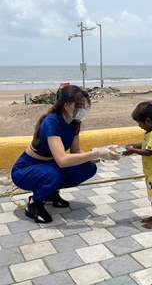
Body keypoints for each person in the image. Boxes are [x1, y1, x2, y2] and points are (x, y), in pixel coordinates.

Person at [11, 84, 119, 223]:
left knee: (88, 167)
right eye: (80, 105)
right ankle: (34, 203)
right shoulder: (52, 122)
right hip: (25, 169)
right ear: (67, 105)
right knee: (53, 174)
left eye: (85, 106)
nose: (83, 110)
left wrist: (103, 154)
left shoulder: (74, 123)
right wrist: (96, 153)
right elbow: (62, 160)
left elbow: (76, 151)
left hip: (50, 165)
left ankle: (50, 193)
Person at [123, 102, 152, 229]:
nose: (139, 126)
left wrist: (133, 150)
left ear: (147, 121)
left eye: (140, 123)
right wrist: (134, 146)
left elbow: (148, 151)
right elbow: (145, 145)